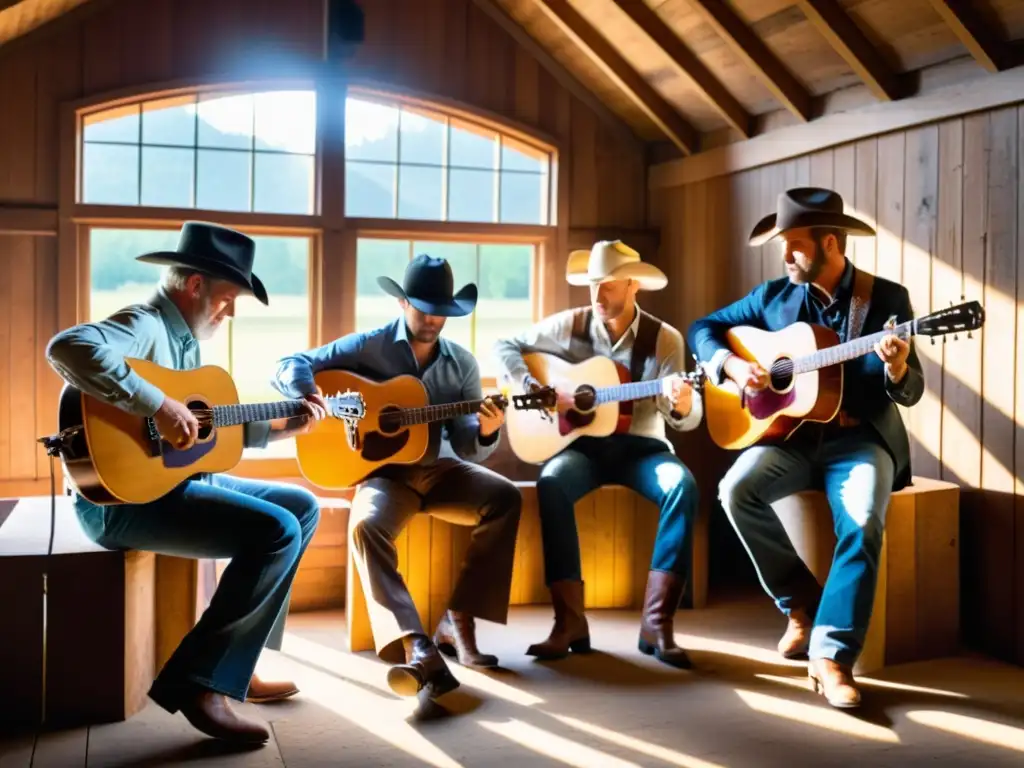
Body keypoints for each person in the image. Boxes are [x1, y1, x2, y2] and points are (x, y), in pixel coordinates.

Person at [45, 222, 325, 744]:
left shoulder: (185, 341)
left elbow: (200, 435)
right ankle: (201, 685)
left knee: (303, 506)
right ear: (193, 284)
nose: (232, 311)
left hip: (166, 487)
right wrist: (159, 403)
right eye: (227, 297)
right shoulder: (147, 324)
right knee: (277, 530)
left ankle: (233, 663)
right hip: (117, 501)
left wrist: (292, 425)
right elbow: (68, 347)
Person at [687, 187, 924, 708]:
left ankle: (832, 657)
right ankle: (800, 603)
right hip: (789, 438)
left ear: (832, 244)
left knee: (861, 520)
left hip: (860, 440)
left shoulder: (885, 300)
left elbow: (911, 390)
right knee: (734, 490)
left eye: (794, 245)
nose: (785, 255)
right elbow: (702, 328)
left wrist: (897, 366)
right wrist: (729, 366)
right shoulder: (773, 298)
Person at [272, 253, 522, 700]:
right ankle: (417, 645)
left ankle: (458, 619)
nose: (431, 318)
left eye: (440, 310)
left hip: (442, 470)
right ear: (402, 302)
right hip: (385, 477)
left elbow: (467, 447)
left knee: (505, 498)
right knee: (366, 527)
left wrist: (487, 430)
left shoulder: (461, 365)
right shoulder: (369, 346)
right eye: (422, 306)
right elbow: (292, 361)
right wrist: (312, 398)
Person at [493, 240, 703, 669]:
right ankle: (568, 621)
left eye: (608, 285)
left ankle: (657, 624)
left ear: (633, 286)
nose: (598, 295)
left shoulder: (664, 339)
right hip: (582, 447)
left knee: (682, 485)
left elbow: (684, 418)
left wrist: (678, 402)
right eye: (592, 285)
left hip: (643, 449)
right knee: (551, 482)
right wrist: (535, 388)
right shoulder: (570, 325)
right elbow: (504, 345)